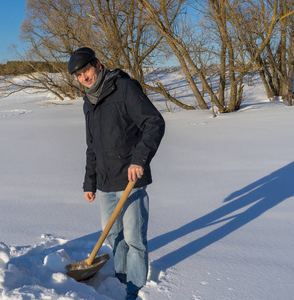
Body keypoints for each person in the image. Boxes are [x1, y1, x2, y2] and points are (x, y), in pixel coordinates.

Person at [68, 47, 165, 300]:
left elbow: (153, 122)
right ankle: (121, 279)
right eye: (78, 75)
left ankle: (133, 289)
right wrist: (90, 182)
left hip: (131, 177)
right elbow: (92, 146)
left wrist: (139, 159)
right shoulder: (88, 103)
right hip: (106, 182)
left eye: (86, 70)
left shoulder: (123, 88)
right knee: (113, 234)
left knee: (134, 237)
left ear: (97, 64)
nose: (84, 77)